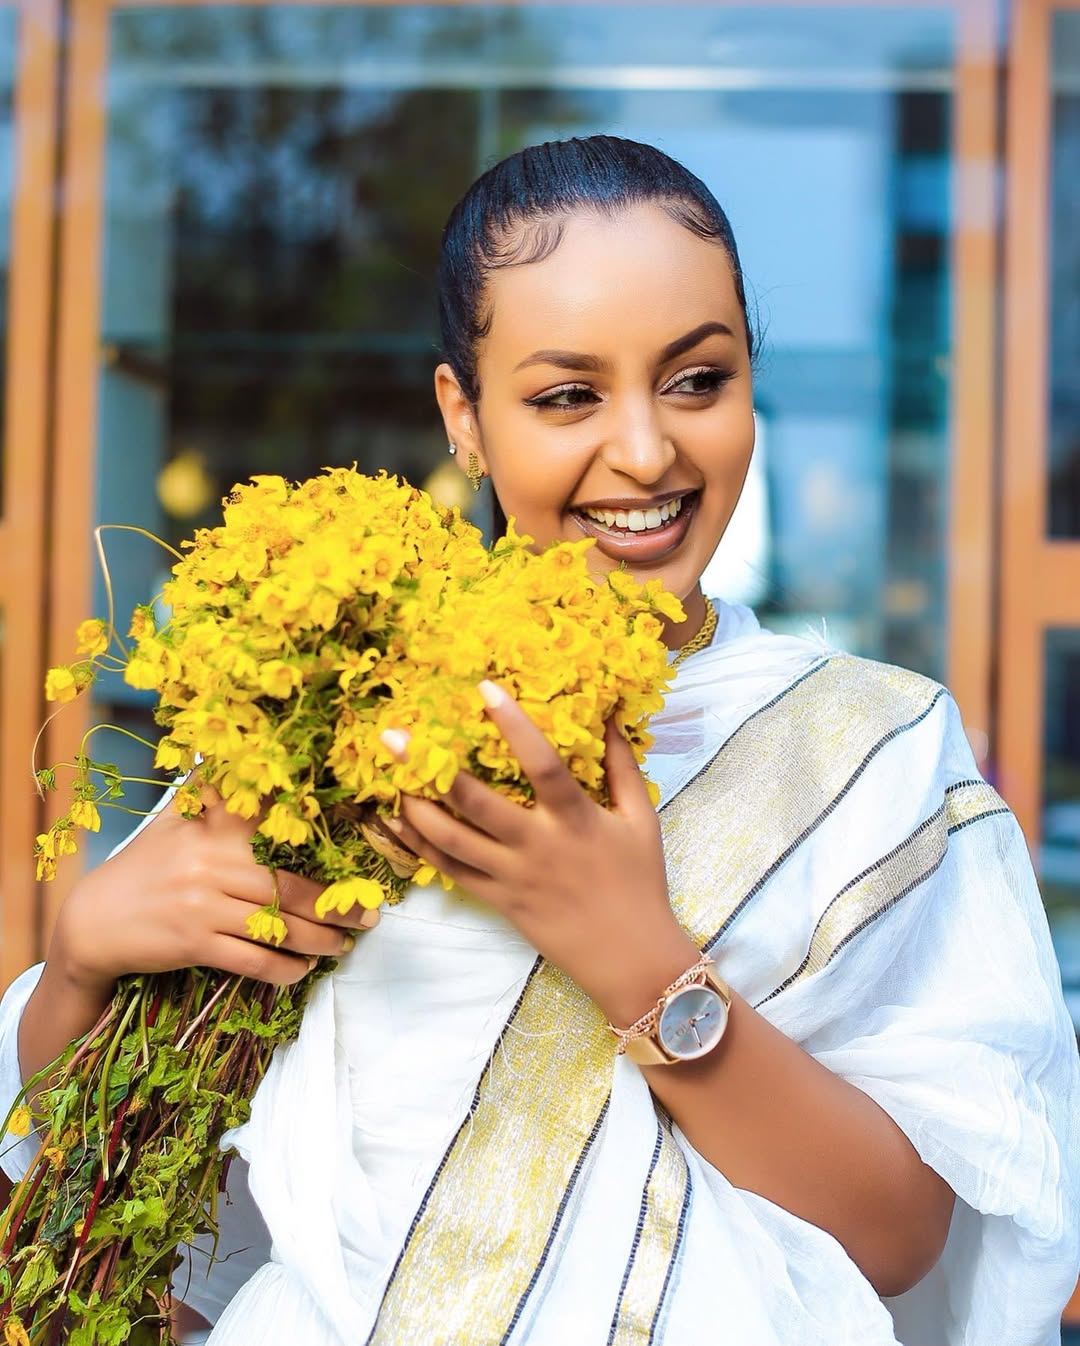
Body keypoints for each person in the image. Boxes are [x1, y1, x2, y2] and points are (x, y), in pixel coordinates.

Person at [2, 135, 1077, 1346]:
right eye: (568, 393)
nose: (646, 450)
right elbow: (101, 1146)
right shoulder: (334, 698)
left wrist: (638, 959)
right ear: (462, 414)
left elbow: (901, 1235)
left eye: (697, 379)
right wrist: (84, 959)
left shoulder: (868, 743)